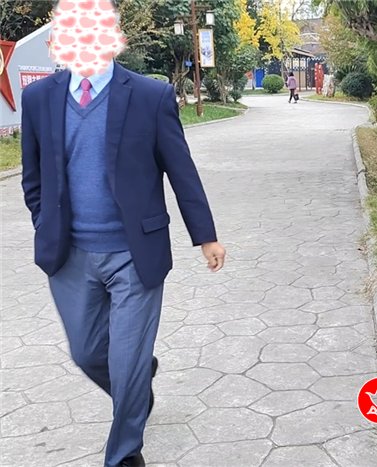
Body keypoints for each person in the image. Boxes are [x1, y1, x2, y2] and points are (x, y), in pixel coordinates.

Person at [20, 1, 226, 466]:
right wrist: (44, 222)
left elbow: (182, 172)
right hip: (70, 255)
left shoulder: (150, 96)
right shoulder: (39, 98)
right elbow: (33, 178)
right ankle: (137, 382)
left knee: (126, 359)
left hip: (134, 252)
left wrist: (206, 236)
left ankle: (125, 454)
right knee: (88, 353)